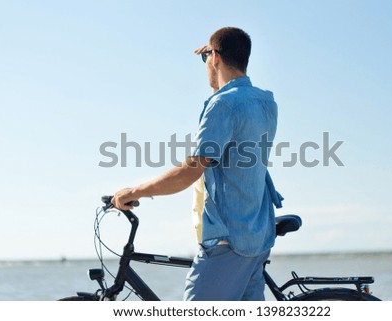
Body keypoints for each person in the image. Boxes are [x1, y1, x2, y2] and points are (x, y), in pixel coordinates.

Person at [112, 27, 280, 300]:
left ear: (215, 58)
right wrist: (214, 56)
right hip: (257, 235)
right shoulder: (266, 103)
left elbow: (189, 171)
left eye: (208, 58)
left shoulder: (223, 105)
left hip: (228, 241)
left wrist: (133, 192)